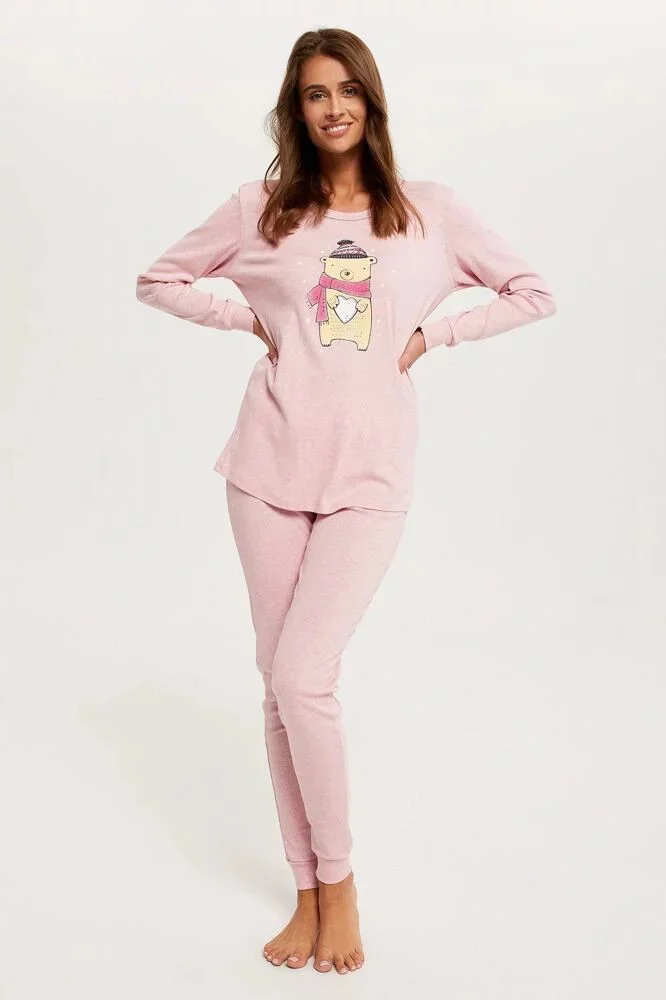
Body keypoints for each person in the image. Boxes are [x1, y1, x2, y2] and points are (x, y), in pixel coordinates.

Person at [135, 27, 557, 976]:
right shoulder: (260, 211)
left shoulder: (427, 212)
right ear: (297, 108)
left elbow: (532, 292)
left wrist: (432, 339)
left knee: (303, 676)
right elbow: (158, 279)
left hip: (369, 477)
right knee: (280, 686)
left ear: (372, 100)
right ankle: (308, 891)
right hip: (267, 469)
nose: (334, 108)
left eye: (348, 90)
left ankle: (343, 883)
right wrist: (246, 317)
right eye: (315, 93)